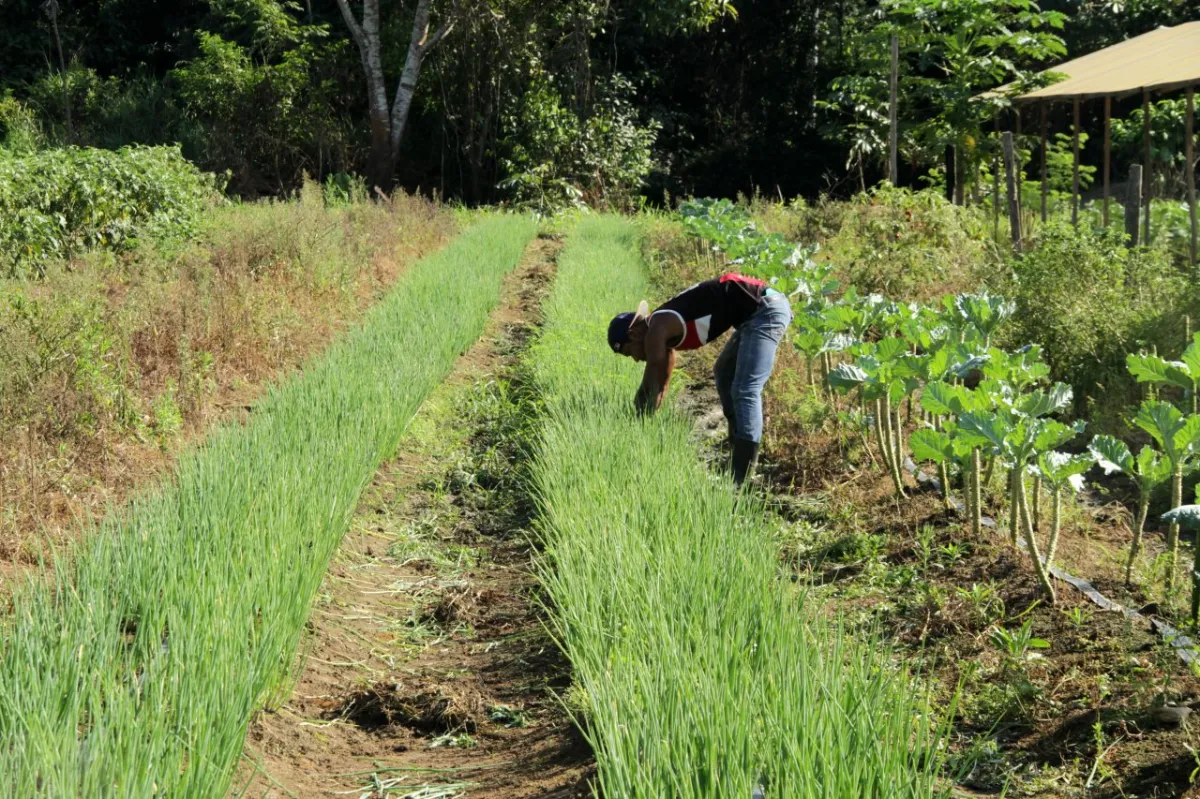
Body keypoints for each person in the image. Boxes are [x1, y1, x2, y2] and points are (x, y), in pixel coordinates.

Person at [607, 272, 793, 484]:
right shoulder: (662, 332)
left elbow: (652, 375)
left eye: (628, 352)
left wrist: (636, 411)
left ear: (633, 335)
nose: (634, 359)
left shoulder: (657, 327)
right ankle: (736, 447)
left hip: (765, 311)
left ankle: (741, 477)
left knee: (745, 389)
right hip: (753, 315)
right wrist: (642, 427)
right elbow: (660, 386)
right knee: (724, 373)